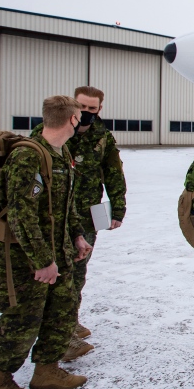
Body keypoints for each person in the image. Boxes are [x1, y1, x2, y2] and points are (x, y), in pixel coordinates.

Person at [0, 96, 93, 389]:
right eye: (79, 117)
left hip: (59, 251)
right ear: (71, 119)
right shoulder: (28, 156)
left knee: (62, 310)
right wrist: (43, 262)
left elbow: (64, 204)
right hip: (23, 258)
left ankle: (47, 370)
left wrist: (77, 236)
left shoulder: (60, 153)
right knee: (22, 318)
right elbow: (20, 213)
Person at [31, 86, 127, 362]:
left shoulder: (102, 137)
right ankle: (59, 334)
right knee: (60, 274)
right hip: (53, 217)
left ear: (99, 110)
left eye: (92, 109)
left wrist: (118, 208)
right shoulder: (49, 133)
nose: (85, 114)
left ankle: (69, 321)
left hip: (86, 215)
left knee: (78, 271)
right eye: (81, 108)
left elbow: (113, 173)